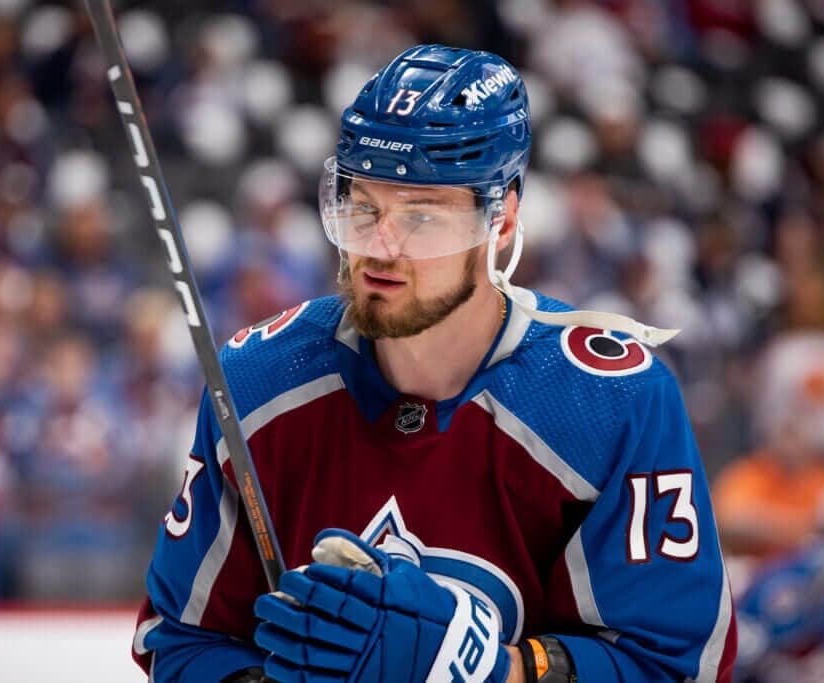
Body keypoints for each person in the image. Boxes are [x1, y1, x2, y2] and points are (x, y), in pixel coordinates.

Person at [131, 45, 736, 682]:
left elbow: (673, 666)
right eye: (363, 207)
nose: (381, 248)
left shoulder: (614, 403)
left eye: (422, 215)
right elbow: (179, 639)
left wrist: (489, 670)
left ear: (501, 219)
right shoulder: (258, 385)